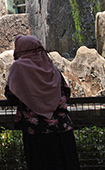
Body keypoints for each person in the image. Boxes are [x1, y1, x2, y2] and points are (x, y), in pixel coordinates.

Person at [5, 35, 80, 170]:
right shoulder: (51, 67)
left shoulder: (18, 67)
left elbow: (11, 94)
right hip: (62, 129)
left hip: (36, 132)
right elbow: (66, 91)